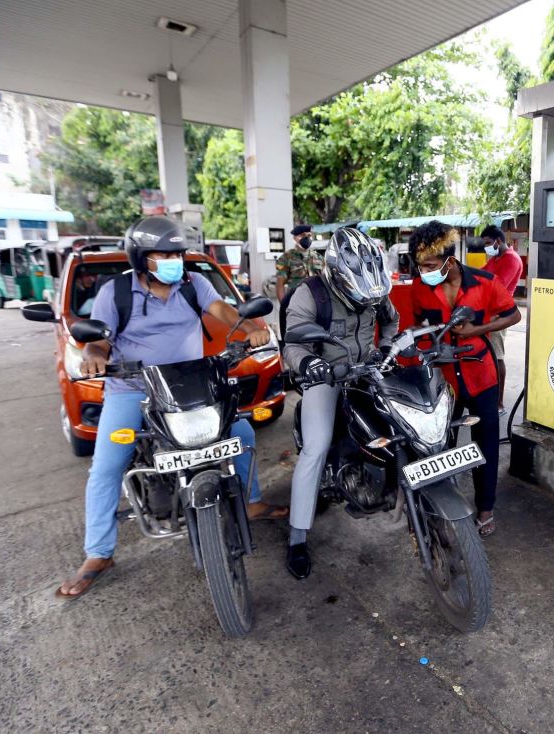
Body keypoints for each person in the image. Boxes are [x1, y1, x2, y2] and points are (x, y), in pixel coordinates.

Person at [57, 216, 288, 599]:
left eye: (177, 253)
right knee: (107, 464)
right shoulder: (116, 293)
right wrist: (95, 355)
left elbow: (225, 313)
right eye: (164, 254)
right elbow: (99, 339)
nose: (173, 261)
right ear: (140, 257)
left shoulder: (193, 283)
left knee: (243, 431)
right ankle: (98, 553)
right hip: (132, 389)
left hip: (191, 384)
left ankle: (250, 503)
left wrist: (251, 329)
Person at [281, 227, 399, 578]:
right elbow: (293, 342)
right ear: (336, 274)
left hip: (368, 370)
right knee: (315, 448)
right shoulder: (310, 292)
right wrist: (309, 364)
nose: (367, 304)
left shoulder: (374, 288)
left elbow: (390, 319)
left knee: (405, 422)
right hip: (326, 375)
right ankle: (297, 537)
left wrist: (386, 347)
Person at [409, 221, 521, 537]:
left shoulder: (485, 283)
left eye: (430, 265)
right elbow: (417, 322)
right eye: (420, 266)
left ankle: (485, 509)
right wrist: (425, 347)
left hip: (481, 376)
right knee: (440, 444)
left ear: (450, 260)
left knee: (485, 444)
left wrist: (477, 330)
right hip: (444, 382)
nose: (424, 271)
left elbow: (514, 314)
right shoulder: (421, 287)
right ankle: (445, 504)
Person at [480, 225, 523, 413]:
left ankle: (498, 403)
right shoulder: (496, 258)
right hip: (489, 313)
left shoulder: (511, 260)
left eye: (488, 243)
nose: (486, 248)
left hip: (500, 315)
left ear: (498, 241)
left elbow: (498, 286)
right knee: (487, 356)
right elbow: (482, 273)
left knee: (497, 357)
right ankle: (488, 398)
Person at [276, 225, 324, 303]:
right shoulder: (286, 257)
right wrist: (284, 307)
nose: (307, 238)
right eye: (302, 235)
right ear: (295, 238)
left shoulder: (319, 257)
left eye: (309, 235)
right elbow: (280, 285)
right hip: (296, 303)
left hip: (317, 301)